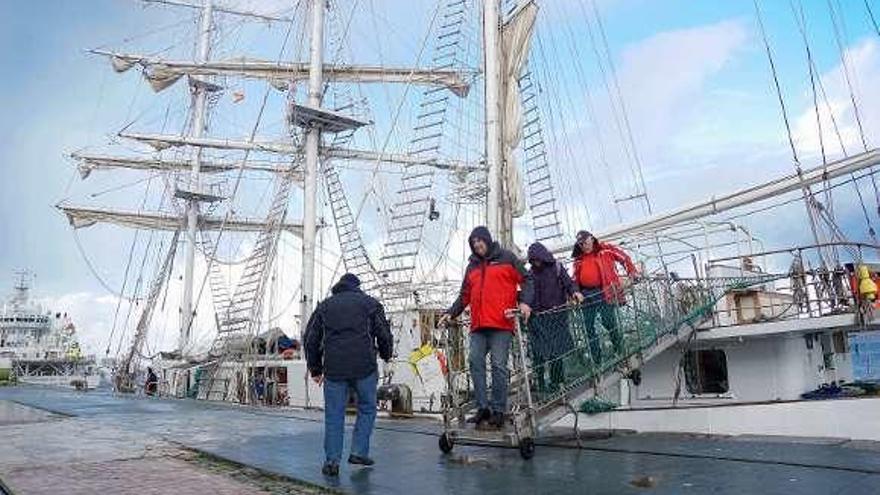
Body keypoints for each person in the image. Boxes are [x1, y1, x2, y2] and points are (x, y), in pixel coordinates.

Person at [439, 226, 533, 429]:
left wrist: (525, 302)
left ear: (488, 240)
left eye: (480, 241)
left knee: (499, 366)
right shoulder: (471, 267)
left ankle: (499, 410)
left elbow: (527, 279)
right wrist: (451, 313)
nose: (477, 245)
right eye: (473, 243)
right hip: (479, 325)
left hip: (501, 324)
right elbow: (464, 295)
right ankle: (483, 408)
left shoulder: (507, 258)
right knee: (474, 361)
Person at [305, 273, 393, 477]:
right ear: (357, 287)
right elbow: (383, 333)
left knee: (334, 414)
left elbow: (311, 339)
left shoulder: (324, 306)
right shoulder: (370, 304)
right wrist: (387, 354)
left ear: (338, 288)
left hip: (335, 369)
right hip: (365, 366)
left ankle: (332, 462)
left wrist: (316, 369)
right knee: (367, 408)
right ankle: (358, 452)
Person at [571, 230, 638, 366]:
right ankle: (597, 359)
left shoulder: (605, 249)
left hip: (605, 292)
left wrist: (632, 272)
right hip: (586, 296)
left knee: (609, 322)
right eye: (581, 244)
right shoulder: (578, 260)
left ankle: (619, 350)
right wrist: (575, 292)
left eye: (586, 242)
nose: (584, 245)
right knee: (588, 328)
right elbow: (574, 279)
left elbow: (623, 258)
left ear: (592, 238)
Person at [525, 242, 583, 394]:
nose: (536, 262)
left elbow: (569, 284)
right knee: (538, 352)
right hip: (538, 318)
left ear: (543, 256)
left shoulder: (556, 267)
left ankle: (556, 383)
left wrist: (575, 293)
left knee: (556, 352)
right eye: (533, 260)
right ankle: (541, 383)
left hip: (557, 315)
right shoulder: (530, 273)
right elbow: (529, 295)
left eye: (537, 259)